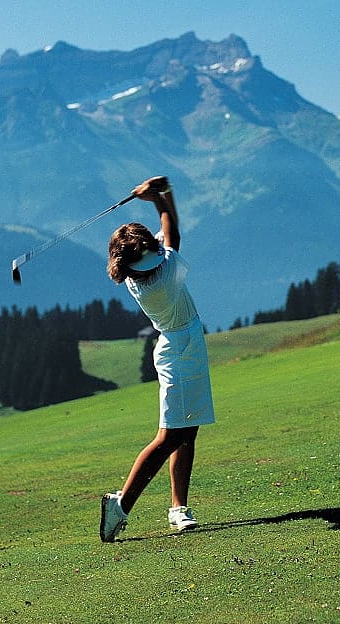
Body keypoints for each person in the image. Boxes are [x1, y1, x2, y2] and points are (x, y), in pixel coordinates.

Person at [99, 176, 215, 542]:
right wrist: (159, 198)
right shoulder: (160, 276)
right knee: (170, 436)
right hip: (179, 351)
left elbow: (169, 233)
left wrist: (162, 196)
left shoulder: (137, 271)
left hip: (186, 344)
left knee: (188, 429)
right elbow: (173, 232)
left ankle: (178, 508)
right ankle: (120, 505)